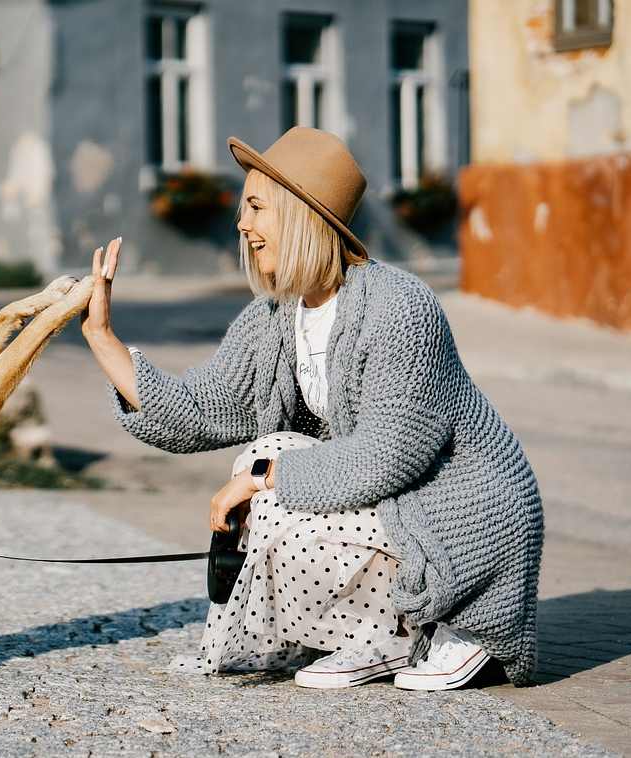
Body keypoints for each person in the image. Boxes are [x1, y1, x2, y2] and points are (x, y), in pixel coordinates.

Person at [80, 128, 543, 690]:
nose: (241, 225)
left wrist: (261, 481)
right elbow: (201, 409)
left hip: (462, 514)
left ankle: (439, 627)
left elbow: (388, 455)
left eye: (256, 207)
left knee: (268, 476)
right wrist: (103, 338)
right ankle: (373, 635)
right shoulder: (276, 316)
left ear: (300, 214)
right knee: (265, 455)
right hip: (395, 504)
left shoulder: (400, 307)